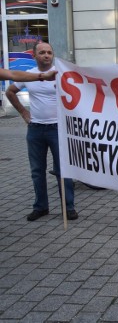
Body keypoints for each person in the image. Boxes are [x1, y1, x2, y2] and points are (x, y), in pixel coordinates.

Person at [5, 42, 77, 221]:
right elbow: (10, 92)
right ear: (34, 56)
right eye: (42, 52)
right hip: (35, 129)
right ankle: (41, 207)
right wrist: (23, 112)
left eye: (50, 52)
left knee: (63, 171)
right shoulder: (28, 75)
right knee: (37, 171)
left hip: (57, 129)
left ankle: (68, 208)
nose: (46, 55)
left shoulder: (60, 75)